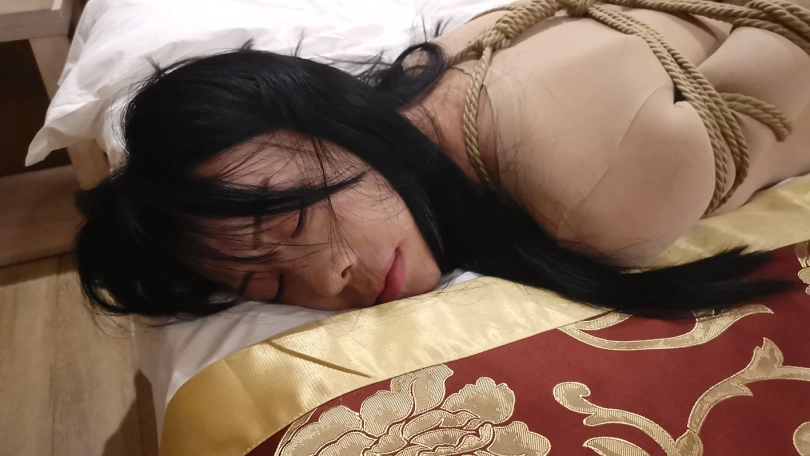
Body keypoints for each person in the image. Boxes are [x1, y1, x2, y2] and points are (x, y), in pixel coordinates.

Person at [75, 0, 810, 318]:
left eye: (294, 222)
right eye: (269, 286)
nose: (326, 280)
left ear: (324, 118)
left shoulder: (589, 197)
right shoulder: (435, 67)